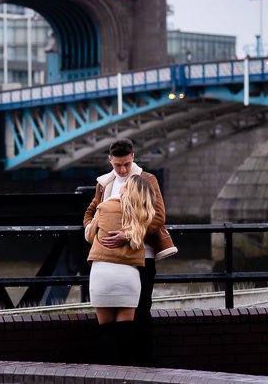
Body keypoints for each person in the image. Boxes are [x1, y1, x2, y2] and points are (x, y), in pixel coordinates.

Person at [83, 139, 176, 366]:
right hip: (111, 260)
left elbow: (158, 216)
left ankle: (143, 363)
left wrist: (129, 234)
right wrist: (93, 231)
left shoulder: (146, 179)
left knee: (141, 311)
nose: (123, 170)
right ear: (110, 160)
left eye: (126, 164)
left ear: (133, 157)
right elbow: (90, 212)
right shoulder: (105, 183)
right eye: (118, 165)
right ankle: (124, 366)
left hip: (142, 257)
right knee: (116, 316)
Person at [86, 174, 156, 365]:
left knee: (106, 330)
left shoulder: (105, 207)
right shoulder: (143, 214)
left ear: (126, 189)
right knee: (125, 331)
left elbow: (90, 235)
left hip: (101, 273)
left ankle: (109, 372)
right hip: (128, 275)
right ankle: (124, 371)